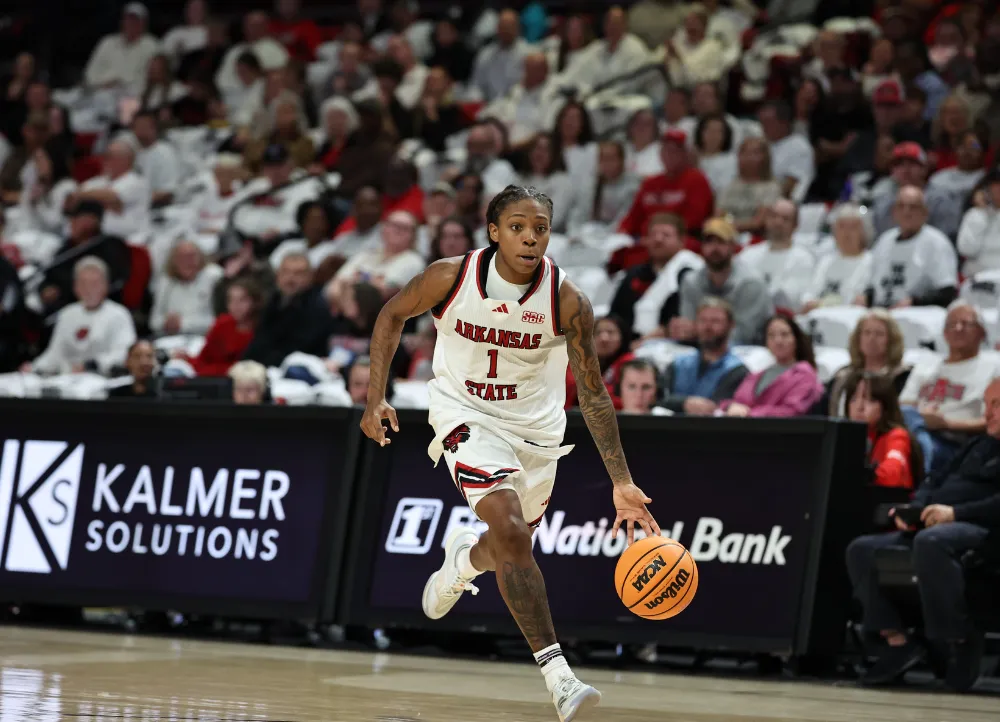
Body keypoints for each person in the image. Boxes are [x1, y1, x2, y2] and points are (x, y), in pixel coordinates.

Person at [360, 185, 659, 720]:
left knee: (507, 546)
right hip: (465, 413)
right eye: (518, 227)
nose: (530, 238)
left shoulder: (567, 300)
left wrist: (621, 480)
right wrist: (375, 397)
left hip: (538, 431)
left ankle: (462, 563)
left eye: (540, 228)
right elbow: (390, 315)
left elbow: (593, 393)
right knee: (513, 531)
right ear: (494, 231)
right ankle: (560, 678)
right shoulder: (450, 276)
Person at [845, 379, 1000, 691]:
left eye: (996, 404)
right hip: (939, 520)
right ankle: (897, 641)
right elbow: (935, 479)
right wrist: (915, 509)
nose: (987, 413)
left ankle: (957, 639)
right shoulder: (979, 444)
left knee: (931, 542)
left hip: (982, 526)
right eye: (986, 404)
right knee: (861, 549)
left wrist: (955, 513)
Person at [719, 316, 823, 417]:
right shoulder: (756, 375)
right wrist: (730, 406)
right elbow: (737, 401)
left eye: (784, 334)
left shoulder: (805, 375)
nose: (778, 341)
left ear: (796, 339)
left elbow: (792, 411)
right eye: (771, 335)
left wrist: (749, 413)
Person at [661, 297, 748, 415]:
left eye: (715, 321)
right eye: (702, 320)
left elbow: (719, 405)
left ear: (730, 325)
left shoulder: (738, 371)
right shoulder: (678, 364)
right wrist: (684, 403)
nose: (707, 327)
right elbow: (658, 398)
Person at [844, 371, 923, 489]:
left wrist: (861, 474)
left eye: (870, 400)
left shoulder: (897, 436)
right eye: (854, 398)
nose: (859, 406)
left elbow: (893, 476)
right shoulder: (846, 436)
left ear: (885, 407)